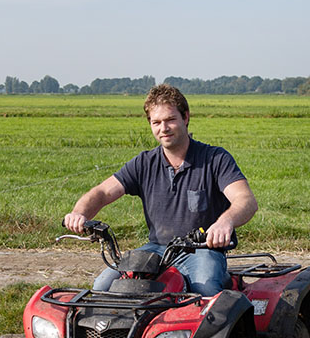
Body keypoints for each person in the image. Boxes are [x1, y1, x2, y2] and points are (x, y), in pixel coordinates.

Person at [63, 84, 258, 296]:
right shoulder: (144, 163)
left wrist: (225, 222)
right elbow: (102, 192)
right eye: (156, 122)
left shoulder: (215, 159)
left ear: (185, 118)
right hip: (156, 249)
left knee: (205, 288)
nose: (163, 128)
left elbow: (245, 201)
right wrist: (79, 213)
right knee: (104, 286)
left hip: (202, 251)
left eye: (170, 120)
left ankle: (222, 320)